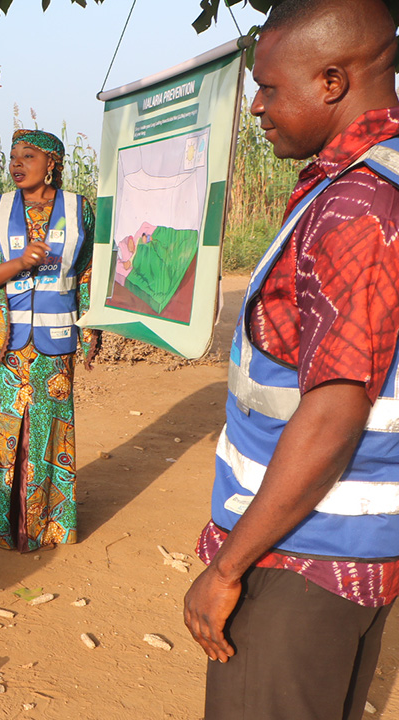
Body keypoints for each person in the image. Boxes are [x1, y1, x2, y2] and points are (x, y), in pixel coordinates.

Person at [182, 2, 399, 719]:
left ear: (332, 81)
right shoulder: (373, 182)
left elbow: (334, 411)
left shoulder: (355, 209)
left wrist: (227, 565)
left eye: (270, 88)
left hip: (304, 553)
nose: (255, 108)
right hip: (348, 545)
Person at [0, 128, 100, 553]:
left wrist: (92, 330)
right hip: (6, 344)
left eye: (29, 156)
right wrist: (19, 262)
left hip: (56, 344)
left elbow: (92, 273)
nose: (17, 164)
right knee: (0, 431)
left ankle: (47, 527)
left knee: (49, 431)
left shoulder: (80, 210)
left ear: (52, 163)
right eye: (13, 156)